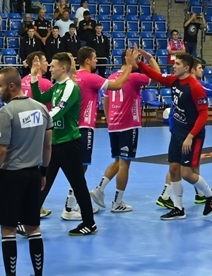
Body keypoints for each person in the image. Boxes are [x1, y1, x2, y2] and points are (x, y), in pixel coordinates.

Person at [0, 67, 51, 276]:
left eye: (0, 86)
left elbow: (0, 150)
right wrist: (43, 172)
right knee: (33, 228)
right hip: (33, 175)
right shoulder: (41, 109)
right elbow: (47, 145)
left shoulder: (6, 112)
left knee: (8, 229)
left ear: (11, 86)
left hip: (11, 177)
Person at [29, 53, 99, 235]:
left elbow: (58, 111)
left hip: (69, 144)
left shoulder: (70, 87)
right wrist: (34, 76)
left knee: (78, 185)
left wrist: (36, 121)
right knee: (43, 182)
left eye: (53, 66)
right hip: (55, 143)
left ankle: (89, 223)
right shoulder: (57, 86)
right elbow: (39, 99)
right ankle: (29, 220)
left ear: (63, 68)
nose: (50, 69)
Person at [91, 47, 152, 213]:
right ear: (128, 58)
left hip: (114, 125)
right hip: (129, 125)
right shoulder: (134, 77)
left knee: (118, 161)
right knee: (125, 164)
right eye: (137, 58)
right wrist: (150, 59)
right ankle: (117, 202)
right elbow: (156, 75)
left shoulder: (112, 77)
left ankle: (99, 189)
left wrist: (110, 119)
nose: (140, 61)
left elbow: (105, 101)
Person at [60, 47, 106, 221]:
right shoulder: (90, 77)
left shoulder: (72, 77)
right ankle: (69, 207)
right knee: (80, 168)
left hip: (72, 126)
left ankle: (78, 203)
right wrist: (129, 68)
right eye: (94, 58)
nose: (96, 61)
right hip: (84, 127)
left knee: (78, 167)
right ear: (87, 60)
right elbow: (116, 85)